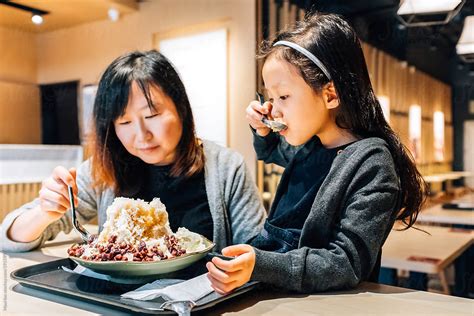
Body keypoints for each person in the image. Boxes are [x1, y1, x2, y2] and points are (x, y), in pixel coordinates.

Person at [206, 13, 427, 294]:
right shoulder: (313, 143)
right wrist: (262, 130)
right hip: (279, 288)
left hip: (323, 301)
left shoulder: (372, 163)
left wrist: (261, 265)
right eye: (270, 98)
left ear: (330, 95)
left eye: (283, 97)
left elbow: (346, 263)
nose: (273, 110)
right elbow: (272, 151)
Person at [1, 50, 266, 254]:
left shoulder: (226, 167)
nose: (141, 135)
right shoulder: (105, 168)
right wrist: (45, 213)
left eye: (152, 115)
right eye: (124, 122)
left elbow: (258, 251)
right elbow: (8, 237)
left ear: (181, 109)